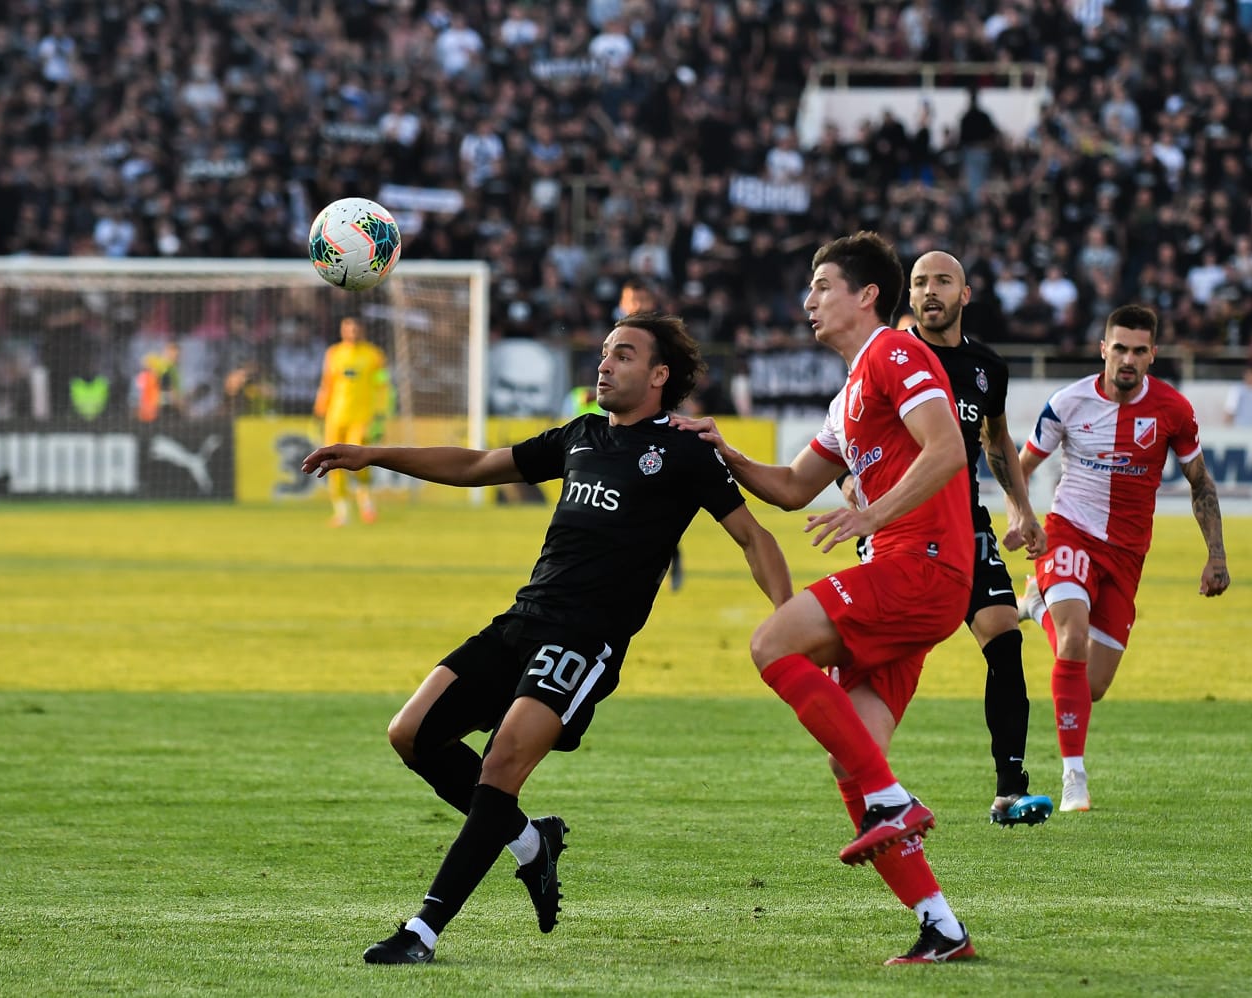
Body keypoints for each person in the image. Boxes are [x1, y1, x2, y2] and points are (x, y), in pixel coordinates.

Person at [303, 312, 792, 965]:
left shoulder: (683, 451)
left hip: (585, 640)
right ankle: (532, 844)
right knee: (411, 734)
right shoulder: (581, 435)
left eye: (623, 354)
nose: (604, 362)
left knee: (502, 765)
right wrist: (373, 455)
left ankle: (422, 932)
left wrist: (790, 618)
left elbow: (752, 538)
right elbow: (479, 463)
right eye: (604, 352)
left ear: (658, 375)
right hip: (522, 620)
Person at [674, 231, 978, 965]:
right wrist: (727, 450)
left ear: (867, 295)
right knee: (854, 759)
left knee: (771, 642)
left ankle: (893, 801)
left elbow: (948, 450)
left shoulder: (897, 352)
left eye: (821, 285)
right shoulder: (848, 395)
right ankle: (942, 927)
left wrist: (873, 515)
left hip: (922, 564)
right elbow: (791, 488)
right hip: (913, 582)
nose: (808, 300)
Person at [1017, 304, 1230, 813]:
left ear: (1152, 354)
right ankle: (1074, 779)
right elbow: (1020, 467)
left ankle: (1036, 604)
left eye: (1139, 350)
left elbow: (1200, 483)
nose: (1128, 359)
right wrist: (1019, 516)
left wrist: (1216, 556)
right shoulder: (1068, 403)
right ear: (1103, 349)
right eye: (1120, 348)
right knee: (1071, 642)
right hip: (1067, 534)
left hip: (1127, 554)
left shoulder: (1174, 410)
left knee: (1091, 686)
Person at [882, 251, 1054, 827]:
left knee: (1004, 639)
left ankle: (1010, 789)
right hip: (900, 526)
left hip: (964, 523)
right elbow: (846, 428)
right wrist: (852, 481)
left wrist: (1022, 509)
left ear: (966, 293)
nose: (930, 291)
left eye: (942, 281)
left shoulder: (986, 367)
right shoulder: (889, 357)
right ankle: (868, 780)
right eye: (920, 282)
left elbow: (996, 441)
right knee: (891, 654)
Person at [617, 276, 685, 591]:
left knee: (655, 500)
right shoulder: (614, 337)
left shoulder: (659, 341)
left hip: (655, 431)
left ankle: (670, 558)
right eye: (633, 299)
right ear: (622, 302)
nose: (638, 306)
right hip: (618, 432)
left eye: (643, 300)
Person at [314, 316, 391, 526]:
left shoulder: (374, 355)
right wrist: (320, 409)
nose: (352, 332)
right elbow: (327, 383)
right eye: (348, 329)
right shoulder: (334, 354)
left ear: (362, 330)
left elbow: (382, 385)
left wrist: (381, 413)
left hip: (362, 417)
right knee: (331, 464)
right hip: (335, 416)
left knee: (360, 461)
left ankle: (366, 504)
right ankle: (342, 512)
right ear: (342, 331)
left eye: (355, 328)